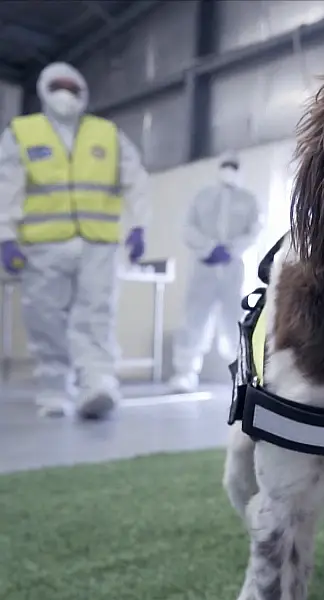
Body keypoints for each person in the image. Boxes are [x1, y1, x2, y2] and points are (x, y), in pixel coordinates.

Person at [0, 62, 149, 420]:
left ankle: (97, 384)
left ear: (83, 93)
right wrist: (5, 236)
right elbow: (5, 185)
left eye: (72, 87)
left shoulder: (106, 134)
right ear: (43, 91)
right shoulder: (22, 132)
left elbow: (136, 179)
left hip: (98, 242)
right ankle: (54, 389)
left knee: (97, 314)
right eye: (57, 87)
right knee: (44, 317)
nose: (65, 94)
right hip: (44, 244)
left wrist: (138, 226)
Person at [169, 154, 263, 393]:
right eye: (226, 166)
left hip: (233, 269)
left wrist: (231, 250)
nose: (229, 170)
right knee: (194, 319)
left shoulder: (249, 200)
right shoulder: (203, 197)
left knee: (236, 321)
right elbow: (188, 228)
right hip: (204, 267)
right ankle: (185, 372)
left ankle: (241, 373)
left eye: (233, 166)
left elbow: (255, 229)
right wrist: (210, 248)